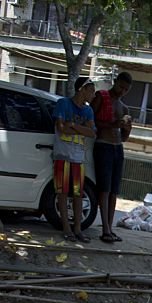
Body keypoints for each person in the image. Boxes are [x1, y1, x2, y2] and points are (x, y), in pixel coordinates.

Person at [90, 70, 133, 244]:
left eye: (126, 90)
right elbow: (91, 121)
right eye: (121, 87)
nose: (122, 91)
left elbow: (124, 137)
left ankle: (110, 227)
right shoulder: (101, 96)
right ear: (115, 82)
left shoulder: (124, 108)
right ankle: (105, 228)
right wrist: (112, 124)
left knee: (114, 190)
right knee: (105, 188)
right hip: (103, 145)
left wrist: (127, 129)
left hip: (118, 147)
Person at [52, 76, 96, 243]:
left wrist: (74, 126)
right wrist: (80, 129)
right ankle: (66, 227)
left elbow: (92, 133)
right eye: (91, 90)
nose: (93, 94)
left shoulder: (88, 110)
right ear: (82, 90)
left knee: (78, 192)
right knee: (62, 191)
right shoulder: (63, 103)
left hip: (78, 156)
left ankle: (78, 228)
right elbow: (61, 128)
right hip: (62, 154)